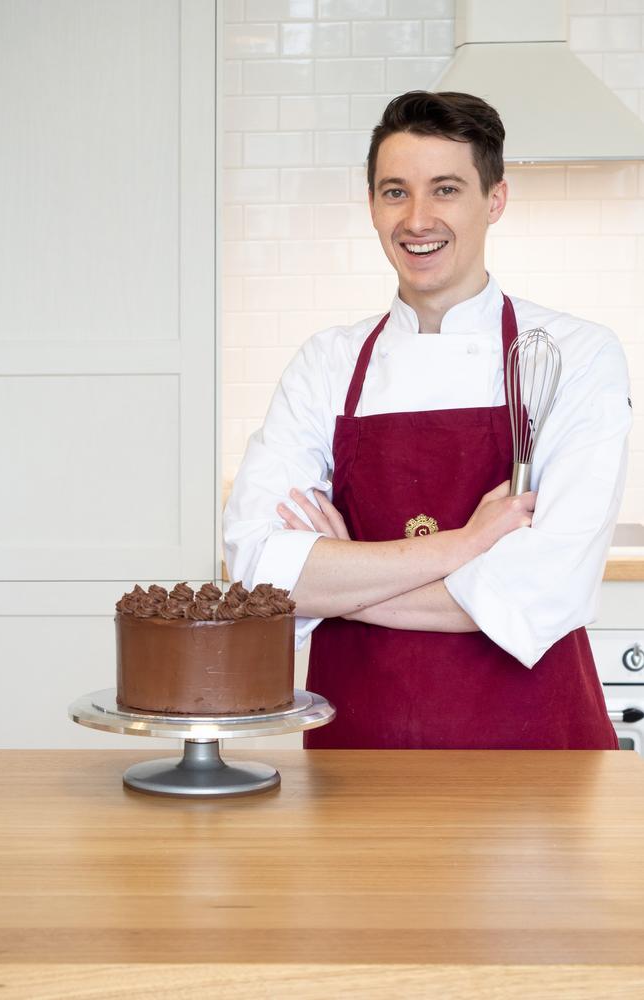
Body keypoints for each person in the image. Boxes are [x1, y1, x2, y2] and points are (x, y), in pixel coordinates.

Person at [223, 91, 632, 750]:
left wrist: (340, 575)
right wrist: (464, 547)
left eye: (445, 189)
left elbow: (545, 586)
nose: (418, 219)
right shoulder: (327, 364)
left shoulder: (575, 354)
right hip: (359, 753)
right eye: (395, 192)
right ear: (371, 205)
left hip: (535, 759)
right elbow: (257, 575)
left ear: (494, 199)